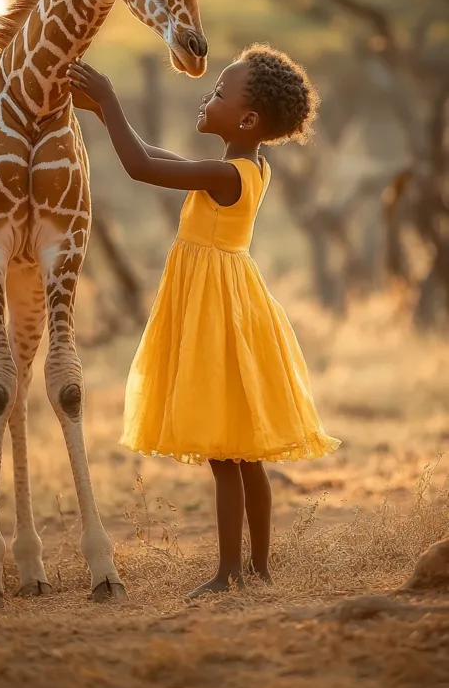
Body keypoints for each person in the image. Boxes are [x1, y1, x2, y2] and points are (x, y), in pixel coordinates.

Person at [66, 45, 340, 599]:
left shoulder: (225, 173)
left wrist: (111, 100)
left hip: (216, 310)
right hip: (232, 301)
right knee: (247, 454)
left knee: (226, 455)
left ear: (247, 119)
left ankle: (228, 574)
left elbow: (142, 169)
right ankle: (258, 570)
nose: (206, 96)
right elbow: (151, 153)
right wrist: (100, 110)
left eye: (218, 92)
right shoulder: (248, 166)